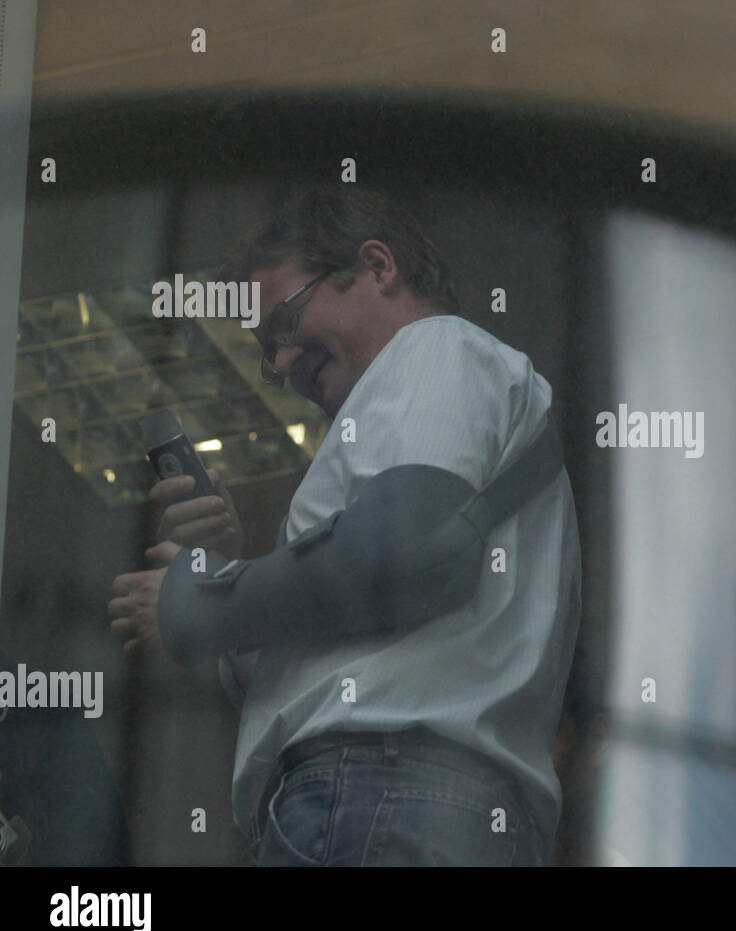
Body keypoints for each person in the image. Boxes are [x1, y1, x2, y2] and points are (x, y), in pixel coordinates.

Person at [108, 186, 582, 865]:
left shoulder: (437, 349)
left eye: (286, 323)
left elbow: (411, 555)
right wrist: (232, 570)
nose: (280, 363)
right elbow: (351, 622)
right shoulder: (434, 396)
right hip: (411, 804)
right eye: (265, 351)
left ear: (377, 267)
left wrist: (199, 601)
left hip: (383, 797)